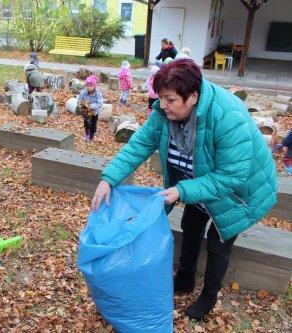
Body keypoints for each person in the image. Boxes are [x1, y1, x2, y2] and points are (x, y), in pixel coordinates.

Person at [91, 59, 277, 321]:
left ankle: (208, 297)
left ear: (193, 96)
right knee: (191, 224)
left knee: (218, 241)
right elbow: (139, 145)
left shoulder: (227, 116)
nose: (162, 105)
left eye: (170, 99)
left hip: (241, 191)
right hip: (198, 180)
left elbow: (231, 176)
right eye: (161, 98)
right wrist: (109, 178)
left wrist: (182, 190)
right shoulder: (164, 114)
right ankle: (185, 278)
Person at [77, 75, 104, 142]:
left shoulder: (98, 93)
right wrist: (81, 105)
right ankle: (87, 136)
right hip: (86, 112)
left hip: (94, 112)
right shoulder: (83, 92)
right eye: (87, 86)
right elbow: (79, 100)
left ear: (94, 86)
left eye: (91, 86)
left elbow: (100, 103)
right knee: (87, 124)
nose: (89, 87)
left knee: (93, 125)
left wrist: (91, 106)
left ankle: (91, 137)